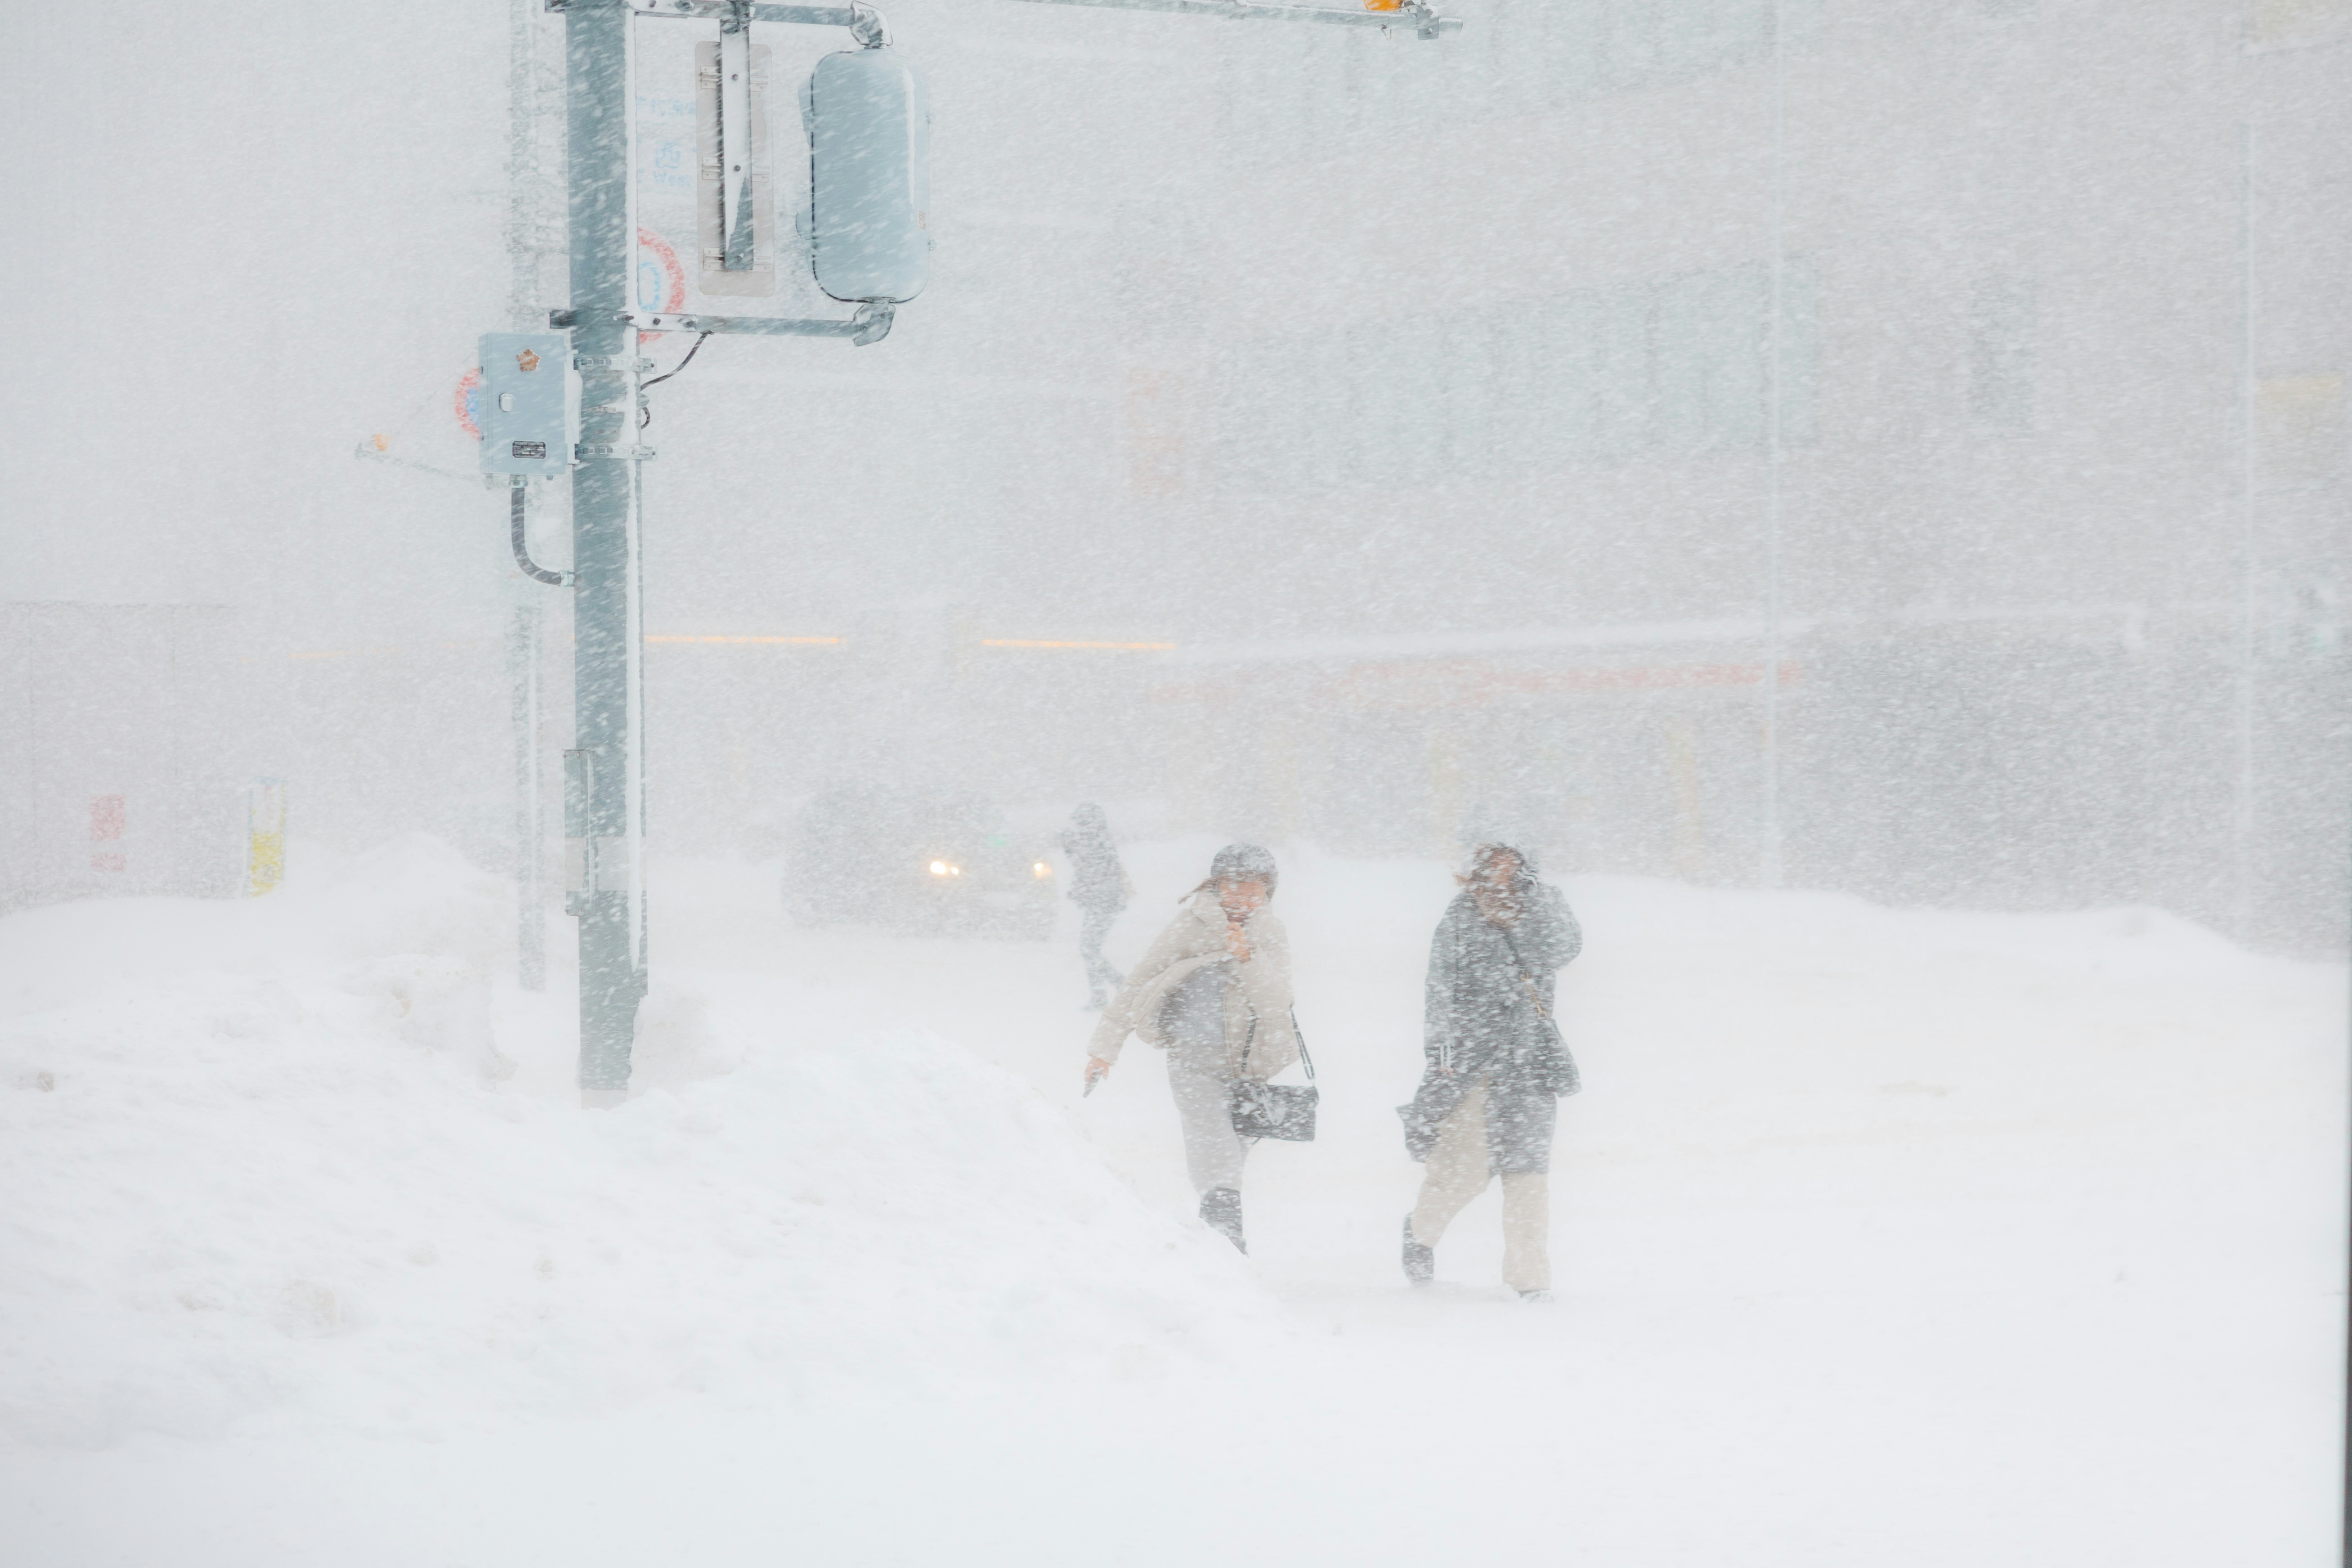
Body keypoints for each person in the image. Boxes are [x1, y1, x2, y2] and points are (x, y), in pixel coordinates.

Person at [1084, 843, 1298, 1252]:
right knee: (1211, 1141)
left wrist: (1248, 957)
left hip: (1250, 1066)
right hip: (1191, 1057)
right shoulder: (1190, 925)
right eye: (1234, 890)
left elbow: (1277, 1004)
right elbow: (1138, 982)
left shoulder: (1270, 932)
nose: (1243, 901)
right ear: (1215, 886)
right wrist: (1104, 1049)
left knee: (1231, 1150)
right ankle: (1227, 1236)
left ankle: (1214, 1238)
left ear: (1268, 893)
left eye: (1254, 892)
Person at [1398, 843, 1582, 1300]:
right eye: (1494, 863)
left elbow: (1566, 947)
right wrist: (1438, 1048)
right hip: (1472, 1062)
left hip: (1530, 1063)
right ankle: (1420, 1231)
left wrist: (1533, 898)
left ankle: (1531, 1281)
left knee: (1529, 1179)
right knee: (1463, 1175)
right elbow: (1439, 983)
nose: (1503, 873)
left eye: (1513, 863)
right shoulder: (1460, 915)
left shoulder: (1543, 905)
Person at [1059, 803, 1132, 1010]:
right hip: (1101, 901)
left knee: (1089, 948)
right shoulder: (1098, 839)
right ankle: (1103, 994)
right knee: (1090, 948)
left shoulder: (1097, 841)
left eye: (1080, 822)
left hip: (1104, 901)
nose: (1078, 827)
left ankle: (1116, 987)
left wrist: (1069, 848)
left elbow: (1087, 868)